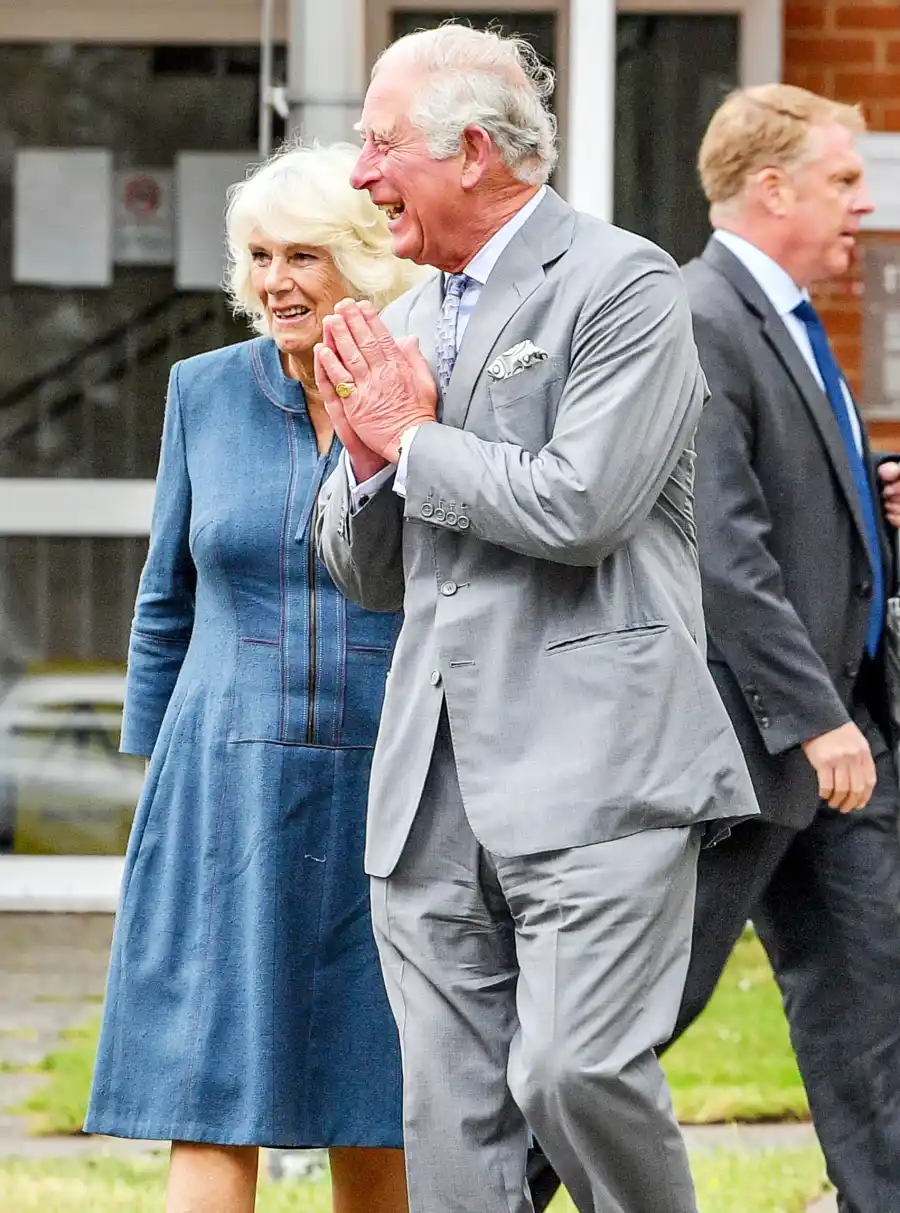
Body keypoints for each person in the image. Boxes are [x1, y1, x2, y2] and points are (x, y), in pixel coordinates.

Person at [315, 25, 758, 1213]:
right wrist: (362, 467)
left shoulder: (628, 283)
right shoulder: (401, 320)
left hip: (597, 766)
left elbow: (583, 504)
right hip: (430, 787)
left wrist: (409, 440)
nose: (360, 174)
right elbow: (369, 573)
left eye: (378, 145)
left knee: (573, 1070)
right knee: (451, 1120)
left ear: (471, 151)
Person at [85, 143, 425, 1213]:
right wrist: (157, 780)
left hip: (395, 777)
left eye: (306, 255)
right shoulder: (202, 392)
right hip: (220, 781)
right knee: (209, 1080)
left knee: (385, 1089)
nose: (275, 280)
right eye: (260, 255)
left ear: (367, 264)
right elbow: (164, 598)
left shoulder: (430, 393)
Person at [658, 85, 900, 1213]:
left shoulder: (795, 321)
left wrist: (872, 509)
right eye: (844, 181)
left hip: (846, 751)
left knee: (874, 1021)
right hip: (754, 750)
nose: (863, 205)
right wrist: (814, 717)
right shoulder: (704, 315)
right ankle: (493, 1192)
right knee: (646, 1008)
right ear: (771, 189)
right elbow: (723, 551)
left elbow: (786, 516)